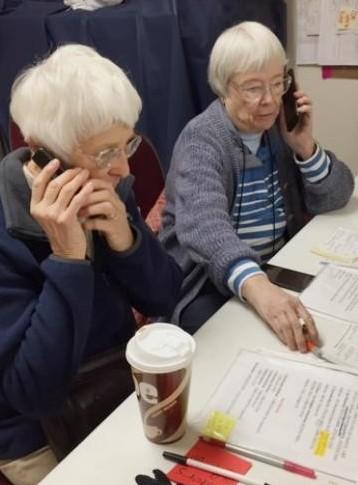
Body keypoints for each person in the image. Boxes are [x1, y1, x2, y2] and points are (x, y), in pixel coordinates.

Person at [0, 44, 182, 485]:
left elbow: (164, 296)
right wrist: (67, 259)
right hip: (36, 431)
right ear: (45, 157)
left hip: (117, 385)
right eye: (105, 153)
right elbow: (32, 393)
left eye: (127, 144)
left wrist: (127, 239)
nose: (124, 167)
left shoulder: (107, 190)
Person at [159, 22, 354, 349]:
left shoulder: (279, 130)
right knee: (238, 345)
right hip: (207, 280)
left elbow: (337, 196)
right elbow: (206, 228)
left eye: (278, 84)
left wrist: (305, 148)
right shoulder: (202, 140)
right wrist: (259, 287)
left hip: (275, 264)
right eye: (253, 88)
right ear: (223, 88)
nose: (270, 100)